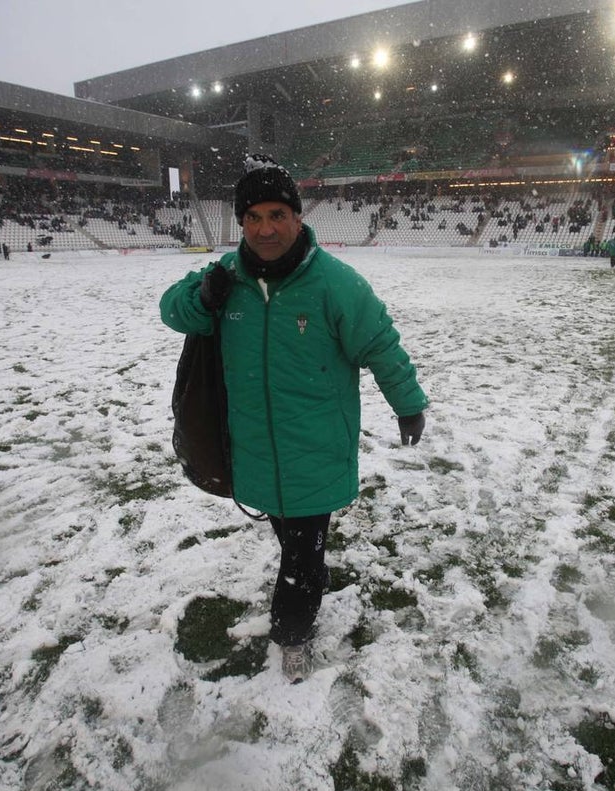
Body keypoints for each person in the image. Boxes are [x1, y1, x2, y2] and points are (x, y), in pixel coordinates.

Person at [160, 154, 429, 684]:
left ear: (298, 218)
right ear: (241, 223)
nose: (265, 229)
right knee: (294, 544)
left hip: (316, 450)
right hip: (256, 452)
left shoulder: (334, 284)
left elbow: (380, 344)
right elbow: (173, 310)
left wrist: (408, 402)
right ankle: (309, 579)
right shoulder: (226, 278)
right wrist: (201, 295)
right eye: (253, 217)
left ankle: (292, 634)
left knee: (301, 561)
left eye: (277, 215)